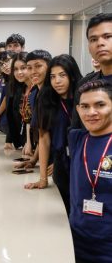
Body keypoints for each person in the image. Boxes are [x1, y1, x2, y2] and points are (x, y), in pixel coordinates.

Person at [25, 55, 82, 215]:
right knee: (63, 208)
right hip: (60, 164)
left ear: (72, 75)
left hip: (83, 162)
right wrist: (43, 179)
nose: (57, 81)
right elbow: (44, 139)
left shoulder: (85, 99)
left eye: (62, 75)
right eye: (53, 76)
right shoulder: (46, 99)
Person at [69, 80, 112, 263]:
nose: (91, 112)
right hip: (74, 242)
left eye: (100, 105)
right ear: (78, 110)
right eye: (85, 106)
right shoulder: (76, 138)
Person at [72, 13, 112, 129]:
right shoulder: (85, 84)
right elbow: (76, 128)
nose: (100, 43)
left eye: (107, 36)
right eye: (93, 39)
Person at [15, 50, 52, 170]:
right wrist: (33, 161)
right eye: (29, 68)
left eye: (38, 66)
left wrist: (43, 179)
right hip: (45, 157)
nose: (33, 71)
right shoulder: (35, 93)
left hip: (59, 158)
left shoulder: (54, 94)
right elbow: (42, 135)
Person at [6, 52, 28, 150]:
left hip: (36, 144)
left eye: (23, 68)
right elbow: (11, 115)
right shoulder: (16, 88)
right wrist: (9, 140)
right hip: (22, 142)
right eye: (15, 69)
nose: (19, 72)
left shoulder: (38, 90)